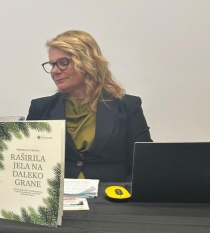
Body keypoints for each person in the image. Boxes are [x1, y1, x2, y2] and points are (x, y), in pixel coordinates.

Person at [27, 30, 151, 182]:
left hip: (111, 194)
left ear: (87, 62)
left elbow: (142, 166)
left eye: (63, 63)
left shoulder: (128, 106)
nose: (54, 71)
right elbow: (29, 164)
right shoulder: (40, 108)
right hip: (58, 195)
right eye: (52, 64)